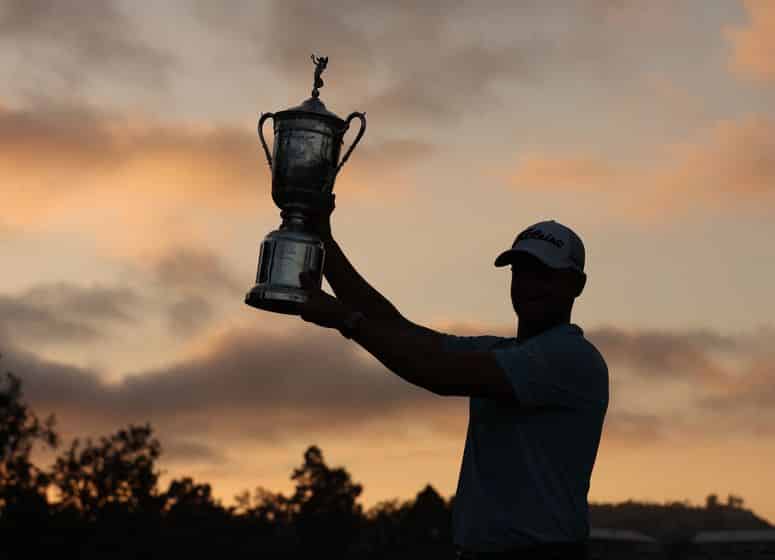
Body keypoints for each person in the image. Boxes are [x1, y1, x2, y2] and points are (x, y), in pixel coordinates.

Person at [296, 195, 609, 560]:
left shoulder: (571, 358)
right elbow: (400, 330)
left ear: (577, 285)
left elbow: (435, 373)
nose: (529, 283)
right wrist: (325, 242)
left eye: (544, 273)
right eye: (521, 271)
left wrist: (346, 321)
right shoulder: (505, 352)